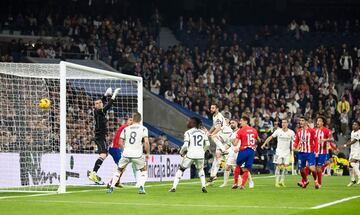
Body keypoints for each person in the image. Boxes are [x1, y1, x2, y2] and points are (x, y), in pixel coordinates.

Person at [107, 112, 150, 194]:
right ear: (140, 120)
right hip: (137, 154)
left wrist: (125, 149)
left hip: (126, 153)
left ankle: (111, 187)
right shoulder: (144, 128)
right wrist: (148, 153)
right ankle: (141, 188)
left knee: (119, 170)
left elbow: (120, 142)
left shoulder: (126, 129)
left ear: (133, 119)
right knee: (144, 170)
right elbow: (146, 142)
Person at [88, 87, 121, 184]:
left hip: (101, 137)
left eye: (99, 103)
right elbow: (109, 105)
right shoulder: (99, 111)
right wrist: (114, 94)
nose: (98, 104)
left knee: (105, 154)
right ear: (94, 106)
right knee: (103, 154)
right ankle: (93, 173)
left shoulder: (99, 111)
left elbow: (102, 102)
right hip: (99, 137)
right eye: (96, 104)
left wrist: (105, 95)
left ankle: (93, 173)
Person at [169, 117, 210, 193]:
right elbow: (207, 144)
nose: (187, 122)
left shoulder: (188, 132)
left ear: (193, 123)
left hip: (191, 154)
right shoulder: (203, 132)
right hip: (200, 154)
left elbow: (185, 146)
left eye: (189, 121)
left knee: (181, 169)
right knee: (200, 169)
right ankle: (203, 186)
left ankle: (174, 187)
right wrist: (202, 151)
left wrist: (181, 152)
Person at [261, 118, 295, 187]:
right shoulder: (278, 131)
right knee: (278, 166)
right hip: (279, 151)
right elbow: (271, 137)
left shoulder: (291, 132)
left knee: (285, 167)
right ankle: (276, 182)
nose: (283, 124)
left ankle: (282, 180)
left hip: (287, 152)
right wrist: (264, 143)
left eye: (285, 122)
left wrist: (295, 148)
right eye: (282, 122)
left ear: (287, 124)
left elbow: (295, 141)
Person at [206, 104, 233, 185]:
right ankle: (212, 177)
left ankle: (237, 177)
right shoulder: (214, 116)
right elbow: (214, 126)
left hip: (226, 135)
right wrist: (209, 132)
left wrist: (212, 134)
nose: (211, 109)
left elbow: (217, 128)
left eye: (213, 108)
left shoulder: (219, 116)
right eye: (211, 107)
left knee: (229, 161)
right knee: (216, 159)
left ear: (217, 109)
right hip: (221, 138)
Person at [231, 116, 259, 189]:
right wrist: (253, 145)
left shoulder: (241, 130)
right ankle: (242, 185)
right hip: (251, 151)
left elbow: (235, 143)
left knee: (237, 166)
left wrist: (231, 140)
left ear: (246, 121)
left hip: (244, 150)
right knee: (246, 169)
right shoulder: (254, 130)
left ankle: (235, 183)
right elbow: (258, 139)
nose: (240, 122)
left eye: (241, 121)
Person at [293, 116, 320, 189]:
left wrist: (316, 151)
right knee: (301, 171)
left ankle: (316, 181)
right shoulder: (299, 131)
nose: (301, 122)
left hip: (310, 152)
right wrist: (294, 146)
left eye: (302, 120)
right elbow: (296, 141)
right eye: (300, 120)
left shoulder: (311, 131)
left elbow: (316, 141)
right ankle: (306, 180)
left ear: (306, 122)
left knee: (312, 168)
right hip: (301, 153)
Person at [313, 116, 337, 187]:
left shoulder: (326, 130)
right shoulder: (314, 130)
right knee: (314, 167)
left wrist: (324, 140)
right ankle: (315, 181)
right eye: (317, 121)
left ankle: (319, 183)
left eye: (320, 121)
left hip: (323, 152)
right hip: (314, 152)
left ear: (323, 123)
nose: (318, 122)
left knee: (319, 168)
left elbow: (332, 139)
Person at [341, 121, 360, 186]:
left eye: (355, 125)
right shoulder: (352, 132)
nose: (353, 125)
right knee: (350, 167)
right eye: (353, 124)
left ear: (359, 126)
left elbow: (354, 141)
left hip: (358, 151)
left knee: (352, 163)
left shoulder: (359, 132)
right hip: (352, 151)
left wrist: (346, 145)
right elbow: (351, 140)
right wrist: (346, 143)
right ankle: (353, 180)